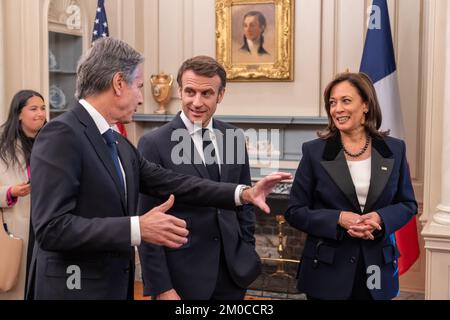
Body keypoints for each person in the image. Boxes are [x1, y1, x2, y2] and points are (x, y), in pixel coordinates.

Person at [27, 37, 290, 300]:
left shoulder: (118, 142)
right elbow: (52, 228)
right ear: (119, 83)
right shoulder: (62, 133)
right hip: (73, 289)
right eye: (139, 86)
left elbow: (176, 183)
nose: (142, 98)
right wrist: (137, 228)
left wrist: (243, 194)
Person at [285, 72, 417, 300]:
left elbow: (407, 204)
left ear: (366, 105)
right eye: (332, 103)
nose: (337, 109)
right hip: (327, 271)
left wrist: (379, 219)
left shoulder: (394, 149)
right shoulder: (314, 152)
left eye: (346, 101)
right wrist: (338, 218)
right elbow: (294, 211)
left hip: (377, 270)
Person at [137, 56, 260, 300]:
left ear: (220, 95)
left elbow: (245, 202)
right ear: (180, 92)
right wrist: (162, 287)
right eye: (190, 92)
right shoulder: (154, 143)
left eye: (207, 93)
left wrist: (246, 249)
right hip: (181, 279)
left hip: (232, 275)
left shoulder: (234, 137)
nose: (197, 102)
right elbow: (147, 222)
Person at [0, 90, 46, 299]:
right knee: (17, 287)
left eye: (43, 108)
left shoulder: (52, 142)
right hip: (16, 228)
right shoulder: (3, 146)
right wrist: (10, 192)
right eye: (34, 109)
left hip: (47, 223)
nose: (40, 114)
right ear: (18, 113)